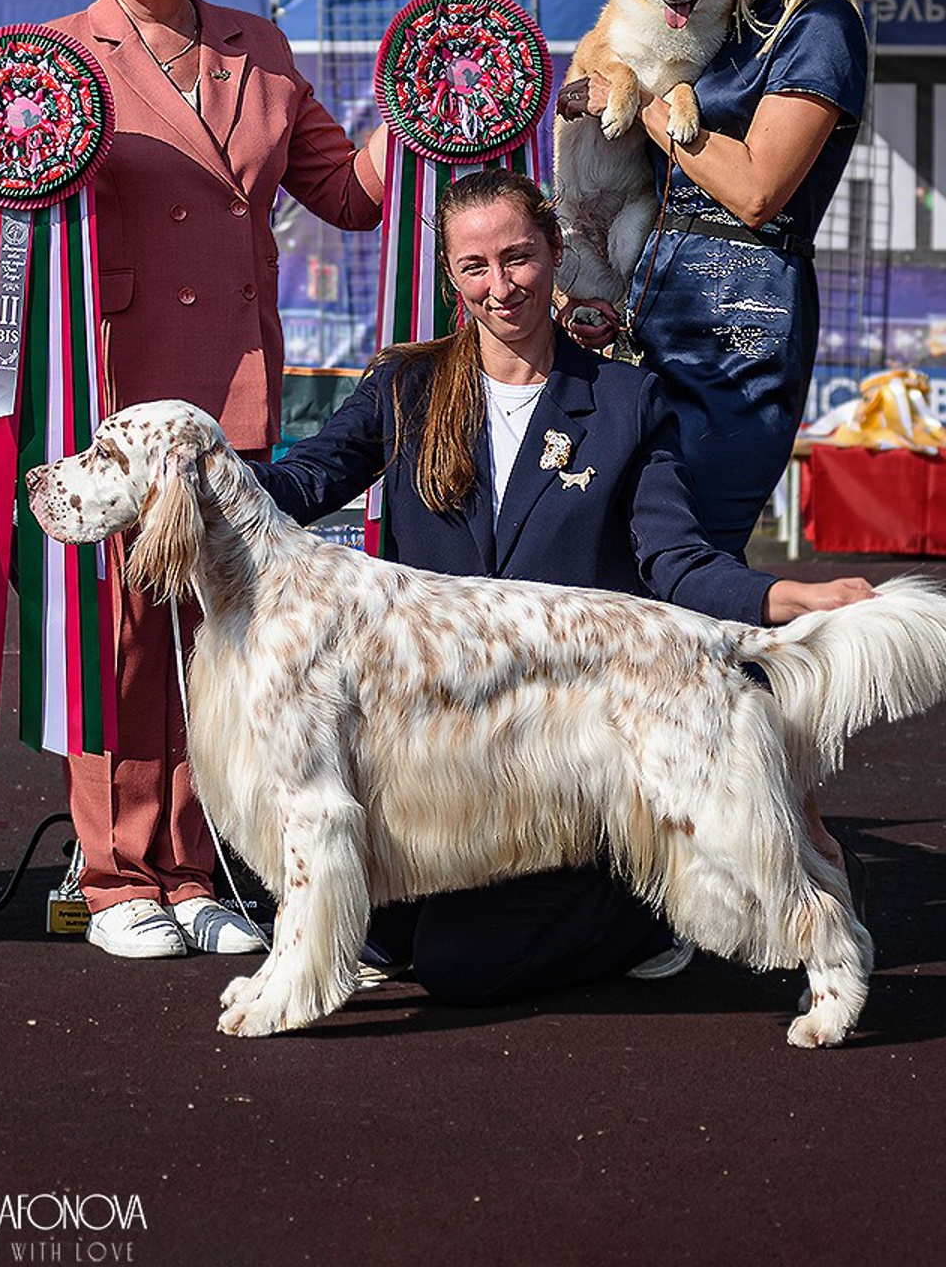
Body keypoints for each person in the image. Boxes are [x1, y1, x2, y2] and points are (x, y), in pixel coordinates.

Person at [252, 167, 872, 1005]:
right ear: (449, 274)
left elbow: (675, 561)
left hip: (571, 761)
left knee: (463, 967)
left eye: (518, 258)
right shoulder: (405, 388)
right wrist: (205, 479)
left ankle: (657, 912)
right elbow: (308, 478)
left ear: (555, 252)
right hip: (448, 757)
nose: (501, 286)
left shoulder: (623, 398)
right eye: (475, 266)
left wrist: (786, 600)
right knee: (373, 925)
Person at [49, 0, 390, 960]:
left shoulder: (262, 46)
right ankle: (113, 876)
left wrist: (425, 116)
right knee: (124, 641)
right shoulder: (53, 60)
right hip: (120, 396)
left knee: (222, 642)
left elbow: (345, 194)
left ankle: (195, 871)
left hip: (238, 393)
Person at [562, 0, 870, 553]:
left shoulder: (819, 26)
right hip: (663, 306)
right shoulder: (732, 14)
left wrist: (630, 104)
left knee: (694, 561)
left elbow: (760, 190)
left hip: (741, 328)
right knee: (631, 564)